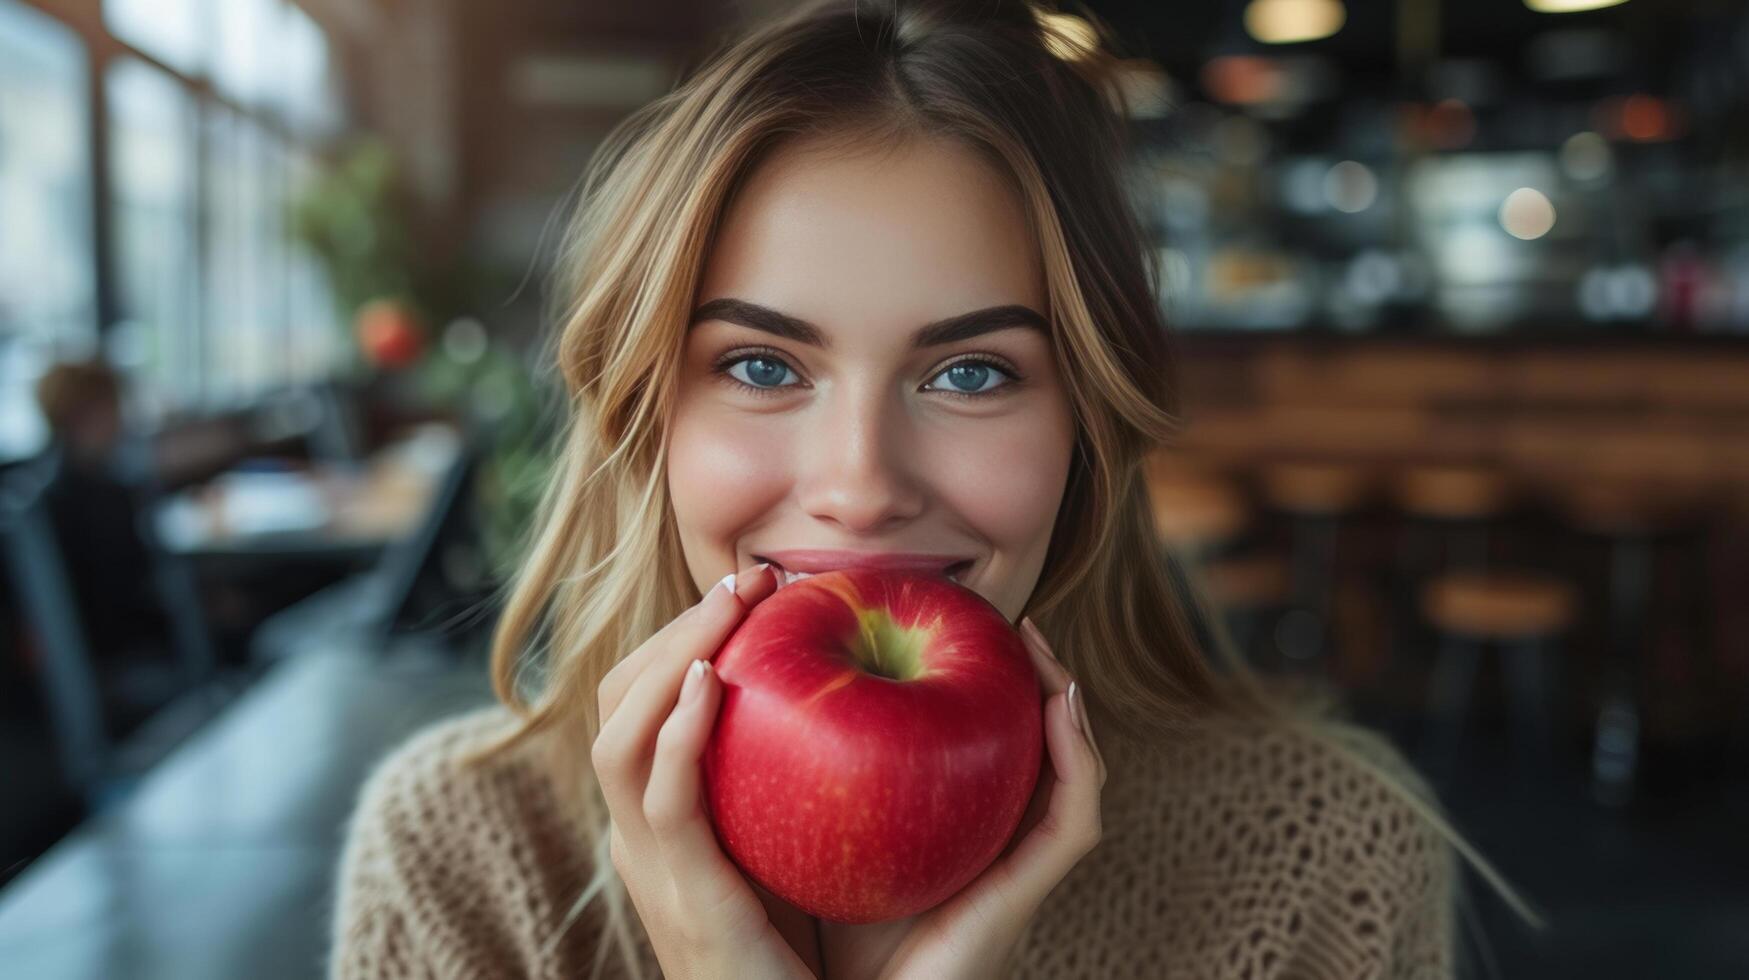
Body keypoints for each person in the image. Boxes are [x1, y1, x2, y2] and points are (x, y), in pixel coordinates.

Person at [331, 2, 1529, 977]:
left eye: (970, 371)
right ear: (647, 418)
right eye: (760, 365)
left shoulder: (1323, 852)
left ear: (1086, 426)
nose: (860, 486)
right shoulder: (463, 862)